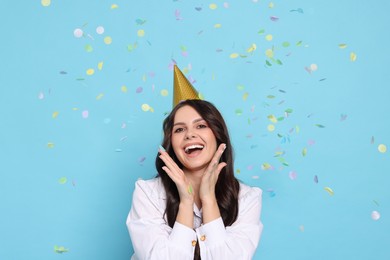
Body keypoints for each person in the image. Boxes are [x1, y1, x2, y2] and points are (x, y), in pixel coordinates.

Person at [126, 66, 263, 260]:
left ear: (217, 135)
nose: (190, 134)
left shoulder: (247, 198)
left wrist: (208, 200)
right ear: (171, 143)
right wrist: (186, 201)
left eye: (200, 126)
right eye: (180, 129)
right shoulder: (148, 193)